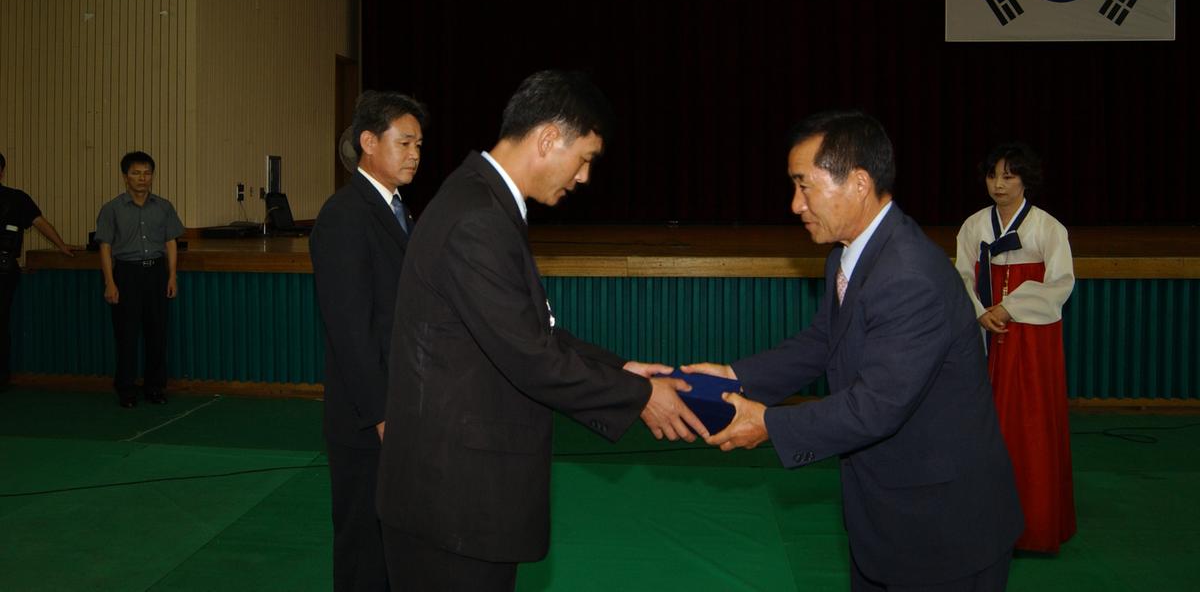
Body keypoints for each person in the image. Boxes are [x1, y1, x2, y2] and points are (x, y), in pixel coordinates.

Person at [376, 70, 706, 591]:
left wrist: (618, 368)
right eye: (585, 160)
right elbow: (532, 357)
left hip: (457, 501)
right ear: (549, 138)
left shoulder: (481, 200)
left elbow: (537, 330)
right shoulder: (477, 218)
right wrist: (641, 396)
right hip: (454, 508)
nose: (583, 179)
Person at [685, 110, 1023, 591]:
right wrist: (734, 376)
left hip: (943, 531)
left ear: (859, 182)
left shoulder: (908, 275)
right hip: (886, 519)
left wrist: (768, 425)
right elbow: (824, 341)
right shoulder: (849, 254)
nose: (795, 204)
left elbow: (878, 406)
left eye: (805, 186)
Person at [310, 91, 427, 591]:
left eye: (420, 144)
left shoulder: (400, 210)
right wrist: (381, 414)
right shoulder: (345, 213)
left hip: (405, 405)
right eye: (404, 142)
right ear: (367, 142)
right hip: (368, 421)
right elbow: (350, 329)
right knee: (364, 551)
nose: (415, 154)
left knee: (397, 546)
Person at [955, 142, 1076, 554]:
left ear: (1027, 179)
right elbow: (960, 278)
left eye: (1009, 175)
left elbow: (1060, 284)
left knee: (1030, 425)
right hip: (986, 334)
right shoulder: (974, 226)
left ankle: (1035, 524)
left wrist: (1009, 307)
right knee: (985, 425)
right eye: (993, 175)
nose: (999, 184)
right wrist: (979, 312)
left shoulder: (1048, 228)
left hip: (1030, 339)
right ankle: (983, 522)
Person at [95, 151, 185, 408]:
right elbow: (105, 247)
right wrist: (110, 282)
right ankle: (126, 389)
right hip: (126, 273)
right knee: (126, 335)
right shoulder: (112, 209)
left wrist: (172, 276)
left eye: (147, 173)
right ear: (125, 177)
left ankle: (155, 388)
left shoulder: (164, 206)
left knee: (157, 333)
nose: (142, 178)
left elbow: (171, 242)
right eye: (136, 173)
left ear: (152, 176)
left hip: (157, 273)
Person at [0, 152, 75, 390]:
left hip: (4, 269)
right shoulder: (16, 197)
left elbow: (40, 222)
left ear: (2, 171)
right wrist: (61, 245)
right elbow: (40, 223)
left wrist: (61, 245)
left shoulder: (16, 198)